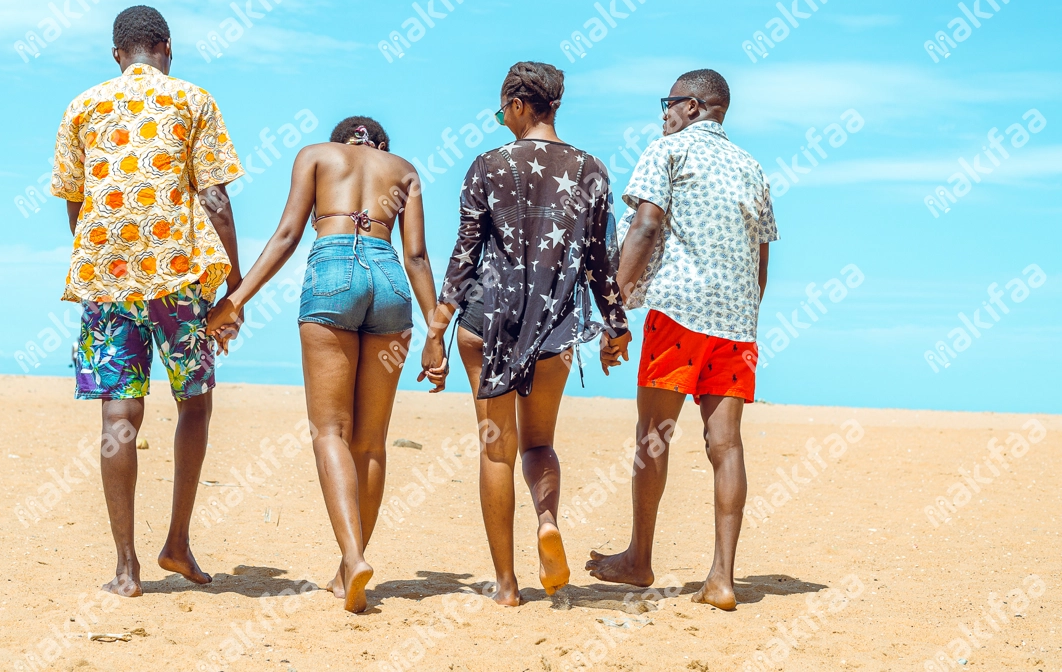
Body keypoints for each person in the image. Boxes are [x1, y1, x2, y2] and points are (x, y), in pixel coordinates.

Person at [207, 116, 438, 614]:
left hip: (335, 271)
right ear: (380, 145)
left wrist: (236, 299)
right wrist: (435, 332)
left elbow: (289, 234)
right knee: (372, 439)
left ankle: (352, 558)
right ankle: (348, 567)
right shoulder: (403, 169)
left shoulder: (316, 154)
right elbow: (416, 256)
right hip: (391, 279)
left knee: (330, 431)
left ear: (343, 142)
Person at [50, 5, 245, 597]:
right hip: (179, 277)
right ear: (166, 47)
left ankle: (126, 567)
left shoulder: (83, 105)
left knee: (118, 417)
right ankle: (177, 542)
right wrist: (233, 287)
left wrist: (104, 256)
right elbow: (213, 198)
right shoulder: (194, 99)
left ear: (117, 54)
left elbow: (74, 201)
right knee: (194, 402)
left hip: (107, 279)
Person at [420, 62, 632, 606]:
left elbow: (464, 257)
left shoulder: (487, 166)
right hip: (555, 329)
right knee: (540, 443)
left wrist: (436, 331)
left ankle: (508, 586)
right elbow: (600, 262)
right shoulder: (591, 169)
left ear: (517, 104)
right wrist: (615, 328)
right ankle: (546, 522)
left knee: (497, 453)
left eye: (501, 110)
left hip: (485, 321)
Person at [585, 69, 778, 611]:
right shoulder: (753, 167)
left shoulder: (667, 151)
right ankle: (721, 578)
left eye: (667, 104)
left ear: (692, 106)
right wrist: (742, 315)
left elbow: (645, 227)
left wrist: (615, 307)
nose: (663, 114)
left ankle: (639, 558)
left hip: (678, 312)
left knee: (654, 433)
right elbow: (761, 260)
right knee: (727, 446)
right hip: (737, 324)